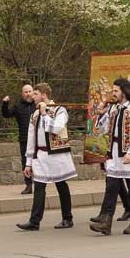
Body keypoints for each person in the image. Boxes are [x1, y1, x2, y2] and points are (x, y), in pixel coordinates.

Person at [90, 77, 130, 236]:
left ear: (124, 91)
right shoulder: (114, 109)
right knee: (111, 187)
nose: (113, 94)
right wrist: (101, 115)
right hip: (114, 154)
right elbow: (102, 130)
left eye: (115, 91)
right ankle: (106, 222)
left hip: (128, 155)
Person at [17, 82, 76, 231]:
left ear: (44, 95)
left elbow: (56, 128)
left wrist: (45, 114)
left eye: (35, 94)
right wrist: (28, 162)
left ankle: (67, 218)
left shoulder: (60, 110)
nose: (32, 96)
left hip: (56, 155)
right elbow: (31, 139)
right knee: (39, 187)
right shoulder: (35, 113)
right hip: (41, 155)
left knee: (61, 185)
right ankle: (34, 221)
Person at [1, 83, 37, 194]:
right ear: (22, 94)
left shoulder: (38, 105)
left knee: (39, 162)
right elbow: (6, 114)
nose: (28, 94)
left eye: (29, 91)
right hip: (24, 139)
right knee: (25, 162)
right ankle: (28, 185)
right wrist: (5, 103)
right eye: (25, 92)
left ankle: (41, 184)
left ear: (33, 92)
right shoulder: (18, 107)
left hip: (38, 139)